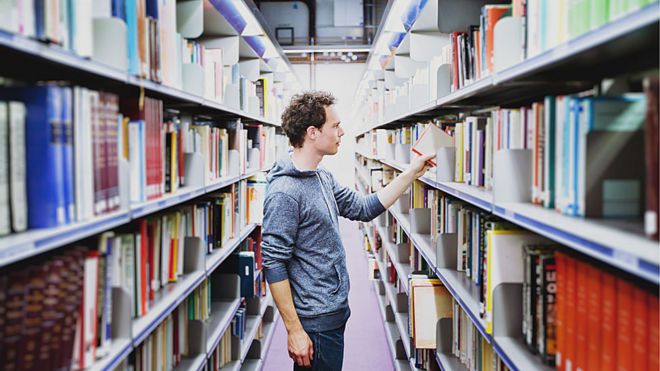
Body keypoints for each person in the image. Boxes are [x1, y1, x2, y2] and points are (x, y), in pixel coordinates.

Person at [262, 91, 435, 371]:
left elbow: (363, 208)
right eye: (335, 126)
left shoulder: (322, 176)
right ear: (313, 132)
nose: (342, 131)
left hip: (333, 309)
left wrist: (411, 173)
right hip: (315, 318)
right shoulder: (284, 193)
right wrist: (294, 330)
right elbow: (273, 262)